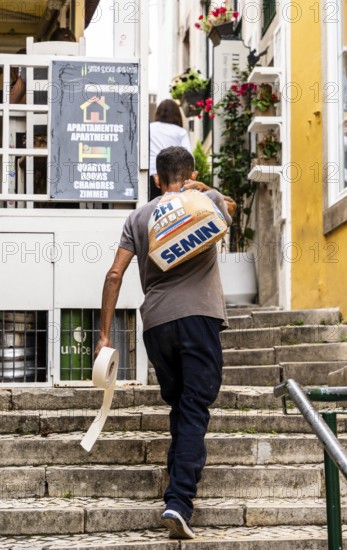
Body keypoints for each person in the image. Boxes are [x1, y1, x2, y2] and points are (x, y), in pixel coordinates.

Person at [95, 146, 236, 539]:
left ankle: (176, 486)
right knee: (194, 406)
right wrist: (205, 188)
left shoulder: (138, 216)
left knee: (180, 404)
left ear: (156, 179)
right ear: (190, 173)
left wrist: (105, 335)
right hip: (199, 318)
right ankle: (179, 502)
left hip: (156, 324)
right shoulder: (205, 200)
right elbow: (232, 208)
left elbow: (113, 275)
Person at [149, 99, 192, 200]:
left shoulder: (149, 128)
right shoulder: (181, 132)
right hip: (173, 179)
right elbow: (189, 157)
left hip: (150, 174)